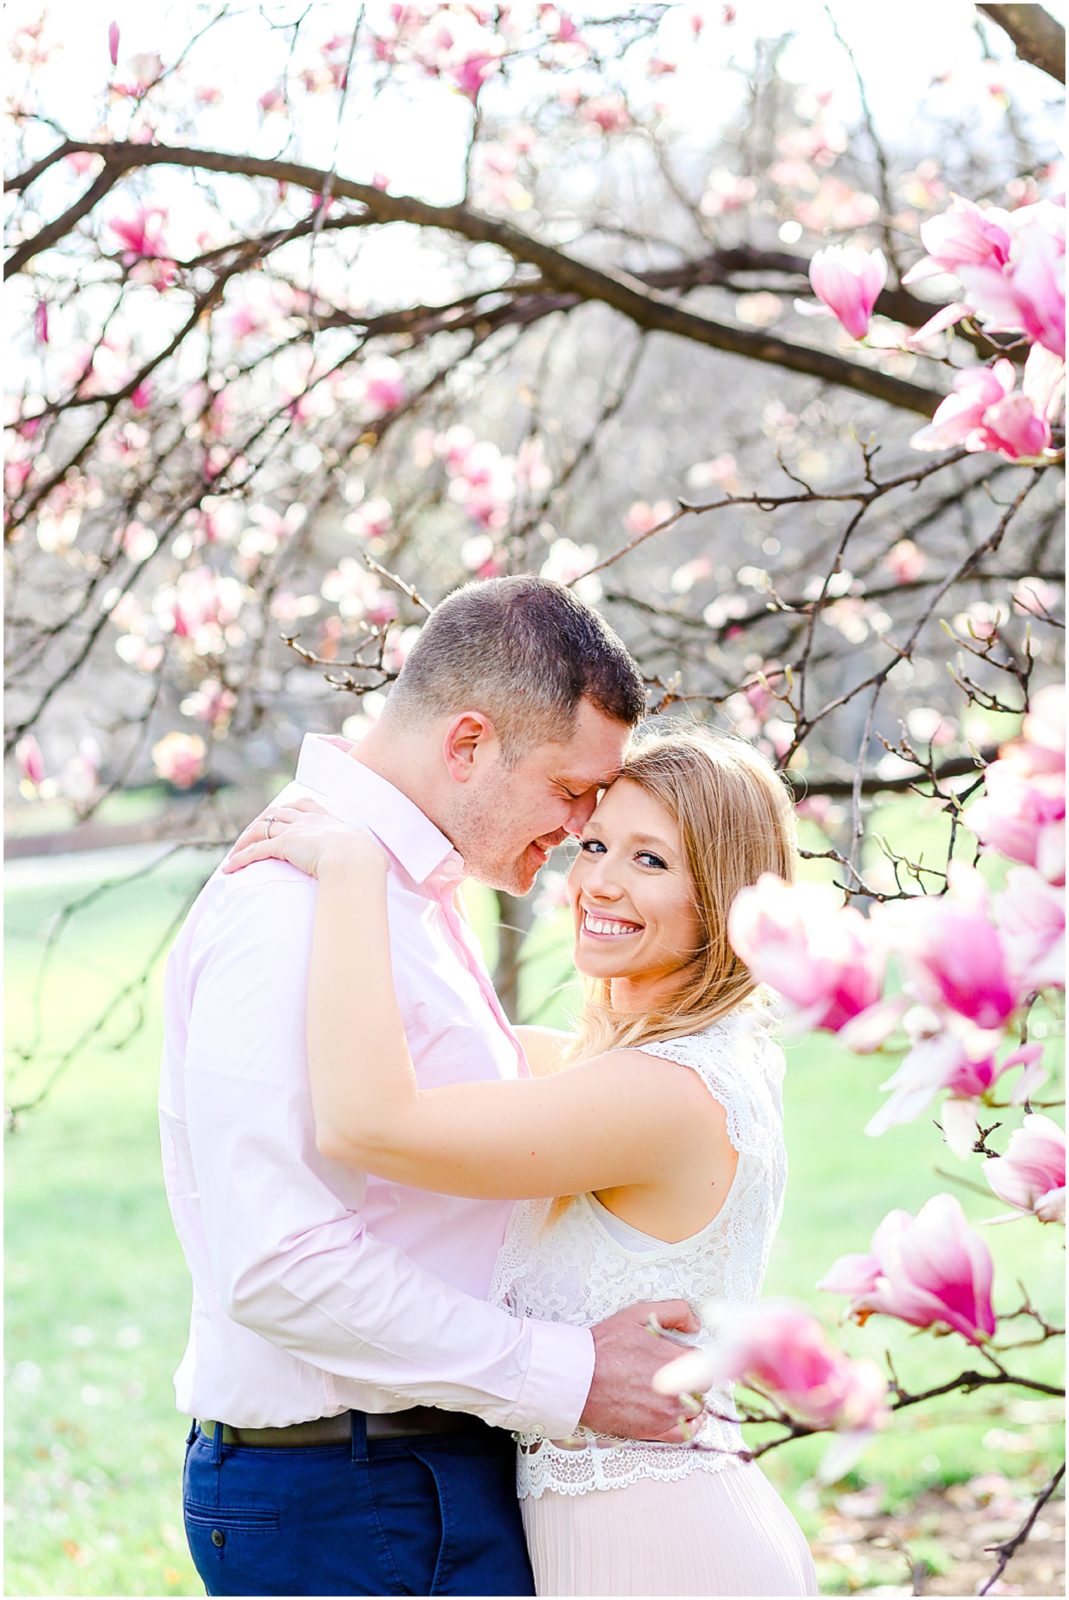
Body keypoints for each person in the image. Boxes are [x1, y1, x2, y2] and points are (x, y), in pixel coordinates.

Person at [160, 576, 707, 1599]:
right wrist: (569, 1373)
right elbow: (281, 1264)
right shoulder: (292, 907)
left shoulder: (394, 888)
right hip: (349, 1492)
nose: (584, 826)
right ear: (467, 744)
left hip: (408, 1471)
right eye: (570, 790)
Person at [224, 725, 820, 1597]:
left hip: (666, 1553)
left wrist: (359, 872)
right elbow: (459, 1060)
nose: (598, 883)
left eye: (650, 861)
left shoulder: (661, 1091)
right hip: (622, 1539)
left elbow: (371, 1126)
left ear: (723, 898)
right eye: (593, 844)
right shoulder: (639, 1065)